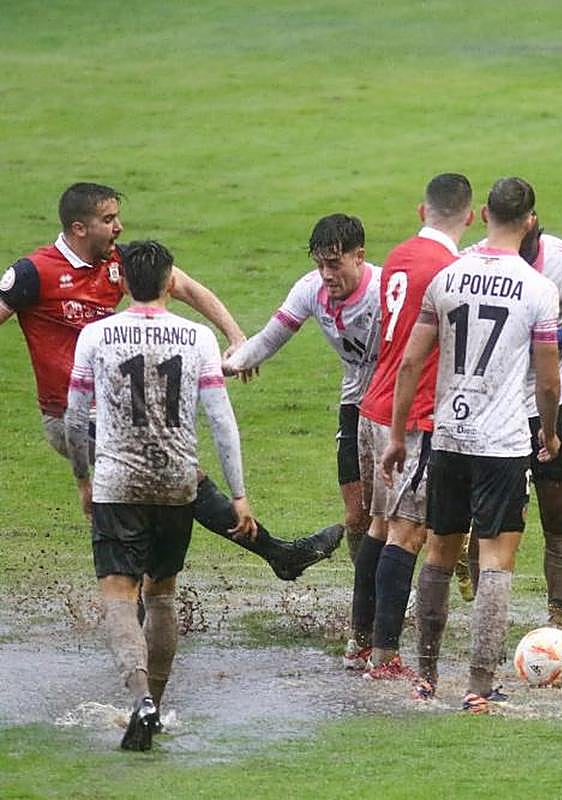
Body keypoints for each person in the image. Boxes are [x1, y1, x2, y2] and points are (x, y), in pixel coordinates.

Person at [0, 183, 339, 581]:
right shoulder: (33, 273)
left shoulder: (119, 261)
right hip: (70, 417)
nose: (119, 228)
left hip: (122, 414)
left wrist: (236, 338)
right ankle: (275, 554)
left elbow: (187, 288)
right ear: (79, 228)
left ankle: (151, 588)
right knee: (175, 476)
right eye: (108, 220)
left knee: (169, 482)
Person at [64, 240, 258, 751]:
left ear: (125, 283)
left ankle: (138, 702)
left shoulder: (95, 335)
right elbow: (221, 421)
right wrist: (238, 495)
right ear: (172, 283)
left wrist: (84, 480)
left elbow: (72, 417)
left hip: (116, 482)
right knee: (162, 594)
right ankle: (160, 701)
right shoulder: (197, 337)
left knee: (119, 596)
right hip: (176, 483)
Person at [380, 176, 561, 714]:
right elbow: (548, 382)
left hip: (449, 437)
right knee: (496, 560)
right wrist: (548, 433)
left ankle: (427, 677)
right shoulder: (538, 289)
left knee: (438, 552)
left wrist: (396, 436)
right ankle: (479, 686)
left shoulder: (448, 278)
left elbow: (411, 362)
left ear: (483, 215)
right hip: (502, 442)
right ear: (529, 221)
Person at [345, 174, 475, 678]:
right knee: (407, 532)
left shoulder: (397, 256)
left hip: (371, 406)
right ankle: (385, 656)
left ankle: (359, 645)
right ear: (469, 216)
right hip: (413, 416)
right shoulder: (451, 271)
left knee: (378, 526)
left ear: (422, 212)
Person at [476, 210, 562, 633]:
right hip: (496, 409)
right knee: (490, 520)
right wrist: (557, 335)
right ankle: (483, 621)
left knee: (560, 513)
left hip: (555, 403)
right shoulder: (476, 267)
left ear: (532, 225)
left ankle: (561, 620)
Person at [224, 213, 380, 560]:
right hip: (355, 406)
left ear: (359, 256)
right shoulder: (311, 289)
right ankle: (368, 600)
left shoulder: (384, 292)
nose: (327, 274)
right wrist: (226, 367)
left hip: (397, 408)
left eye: (335, 263)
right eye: (321, 263)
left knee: (398, 519)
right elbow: (268, 339)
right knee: (357, 519)